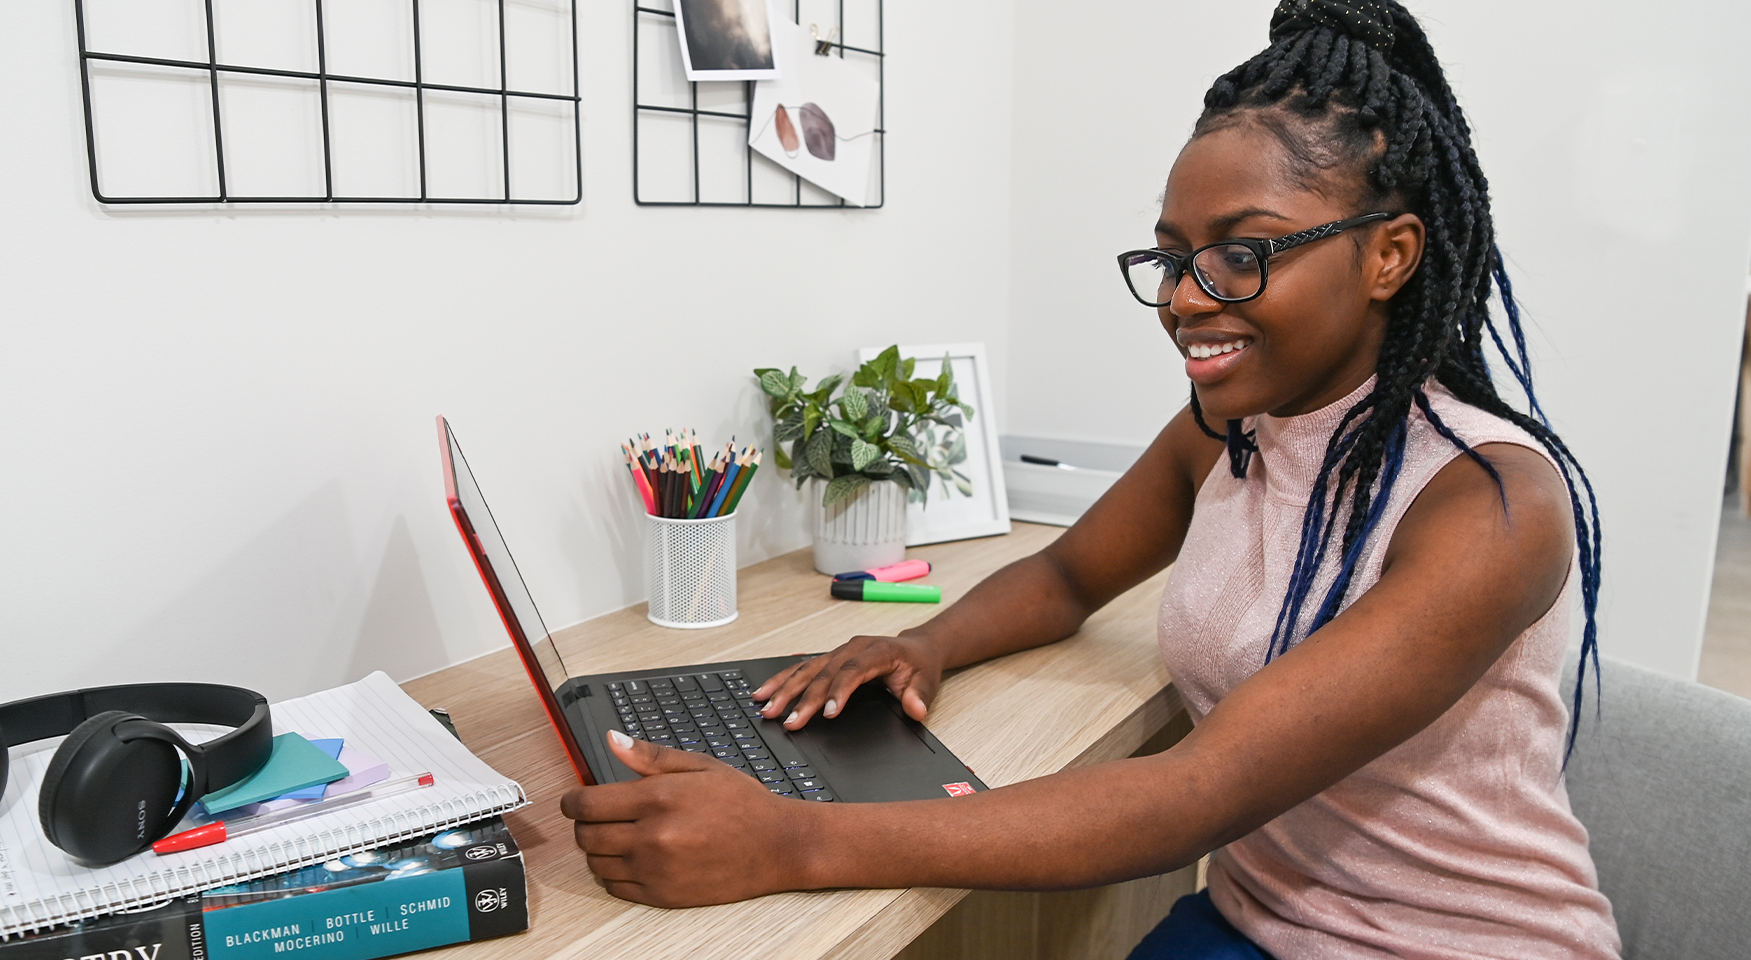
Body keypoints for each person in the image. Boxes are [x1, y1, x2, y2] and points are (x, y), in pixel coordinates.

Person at [562, 1, 1621, 955]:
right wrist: (924, 641)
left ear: (1390, 255)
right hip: (1262, 920)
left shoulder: (1489, 505)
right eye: (1172, 258)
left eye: (1242, 254)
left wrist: (797, 842)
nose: (1188, 299)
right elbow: (1071, 575)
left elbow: (1199, 791)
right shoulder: (1231, 428)